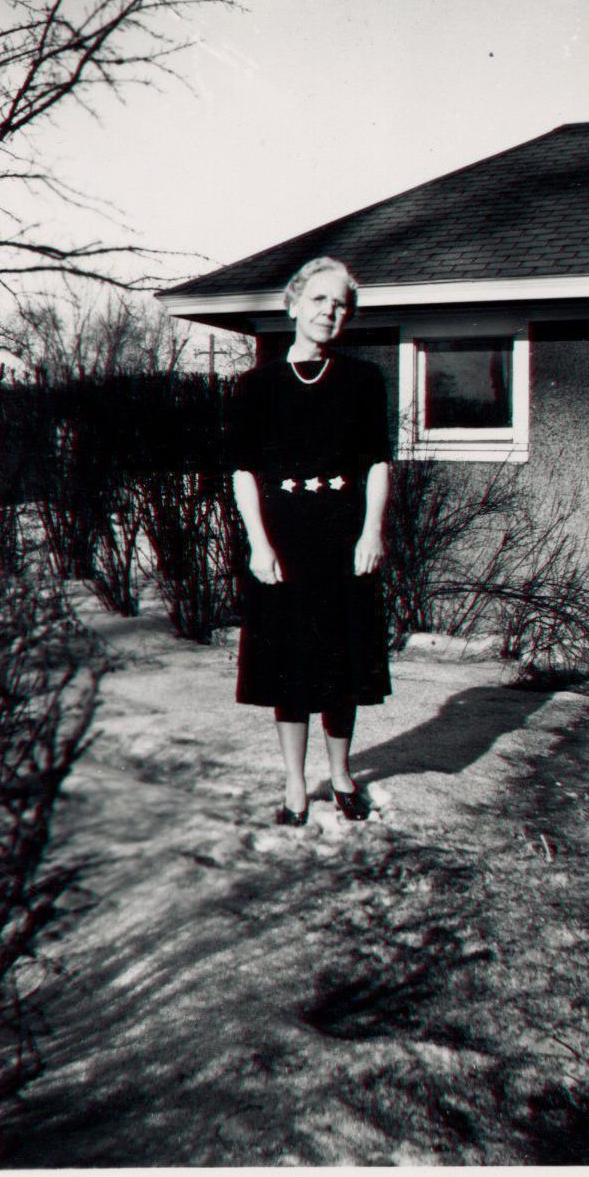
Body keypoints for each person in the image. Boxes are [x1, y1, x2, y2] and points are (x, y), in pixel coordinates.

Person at [229, 256, 392, 826]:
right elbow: (243, 471)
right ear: (294, 303)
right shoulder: (257, 386)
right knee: (289, 665)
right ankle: (295, 785)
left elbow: (377, 463)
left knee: (341, 661)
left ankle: (342, 775)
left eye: (341, 304)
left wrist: (372, 531)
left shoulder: (364, 381)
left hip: (344, 540)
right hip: (284, 542)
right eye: (320, 299)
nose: (330, 311)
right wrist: (258, 542)